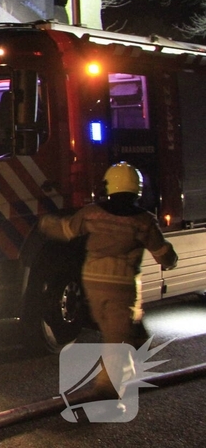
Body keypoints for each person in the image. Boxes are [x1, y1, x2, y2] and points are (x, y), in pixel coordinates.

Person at [39, 162, 177, 394]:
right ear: (137, 189)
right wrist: (171, 260)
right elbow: (163, 253)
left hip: (92, 284)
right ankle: (107, 386)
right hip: (121, 286)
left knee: (114, 329)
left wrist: (44, 223)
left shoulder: (92, 213)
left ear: (109, 186)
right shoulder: (143, 221)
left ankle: (135, 348)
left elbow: (66, 230)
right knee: (116, 338)